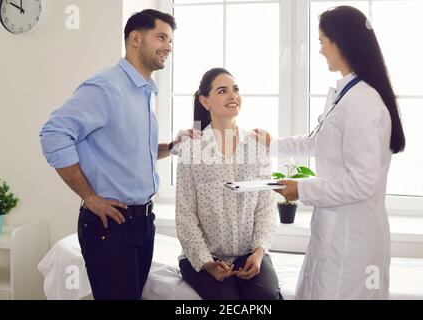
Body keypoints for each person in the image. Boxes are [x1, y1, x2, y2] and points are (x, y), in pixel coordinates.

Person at [254, 6, 405, 299]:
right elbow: (319, 142)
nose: (320, 50)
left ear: (341, 42)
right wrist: (271, 144)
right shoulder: (346, 93)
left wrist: (301, 189)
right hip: (335, 232)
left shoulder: (362, 101)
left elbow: (362, 182)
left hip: (352, 240)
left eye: (322, 41)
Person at [39, 9, 186, 300]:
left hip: (143, 222)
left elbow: (131, 153)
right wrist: (90, 197)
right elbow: (53, 134)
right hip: (112, 226)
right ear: (135, 38)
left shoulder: (143, 92)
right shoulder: (107, 87)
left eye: (170, 40)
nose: (168, 46)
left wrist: (170, 148)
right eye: (161, 37)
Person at [175, 68, 283, 300]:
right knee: (227, 301)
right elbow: (185, 215)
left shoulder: (257, 145)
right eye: (222, 91)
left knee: (267, 297)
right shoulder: (191, 150)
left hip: (249, 253)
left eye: (235, 89)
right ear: (205, 101)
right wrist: (207, 263)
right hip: (206, 256)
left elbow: (266, 206)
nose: (232, 95)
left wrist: (258, 253)